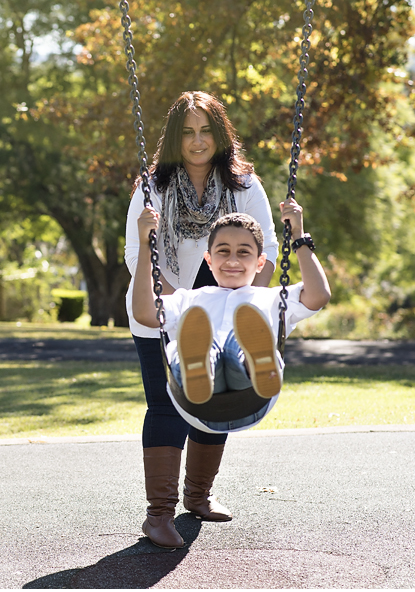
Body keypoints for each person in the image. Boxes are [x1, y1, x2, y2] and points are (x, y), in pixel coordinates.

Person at [124, 91, 279, 549]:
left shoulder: (244, 187)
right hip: (159, 313)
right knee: (167, 405)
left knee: (217, 400)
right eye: (187, 132)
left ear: (220, 134)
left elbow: (266, 251)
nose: (197, 141)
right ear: (175, 138)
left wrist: (236, 300)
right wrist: (185, 305)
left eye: (206, 130)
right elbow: (138, 256)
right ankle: (158, 515)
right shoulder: (151, 189)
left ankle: (199, 496)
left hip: (226, 312)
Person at [133, 208, 330, 407]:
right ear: (208, 259)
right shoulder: (190, 300)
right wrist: (145, 245)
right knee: (194, 338)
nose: (233, 260)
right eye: (223, 251)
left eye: (244, 252)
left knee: (237, 344)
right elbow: (145, 313)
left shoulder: (272, 299)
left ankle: (252, 362)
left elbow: (318, 295)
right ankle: (202, 363)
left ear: (260, 262)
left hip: (251, 394)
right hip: (194, 399)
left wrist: (298, 235)